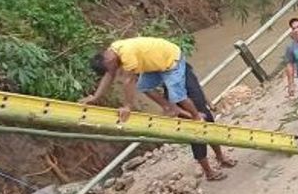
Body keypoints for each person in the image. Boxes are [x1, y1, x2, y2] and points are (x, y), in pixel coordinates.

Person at [81, 36, 235, 181]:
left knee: (203, 116)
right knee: (191, 126)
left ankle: (220, 157)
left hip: (172, 64)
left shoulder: (127, 54)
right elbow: (111, 76)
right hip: (160, 68)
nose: (115, 71)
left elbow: (128, 80)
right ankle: (208, 170)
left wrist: (128, 106)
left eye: (112, 68)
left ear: (108, 59)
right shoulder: (115, 52)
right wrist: (95, 97)